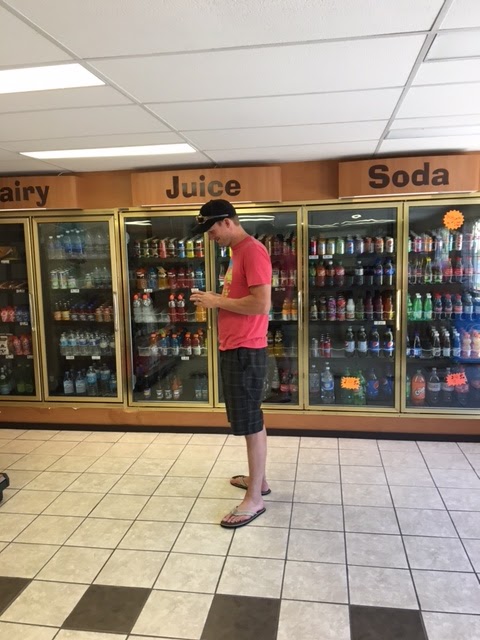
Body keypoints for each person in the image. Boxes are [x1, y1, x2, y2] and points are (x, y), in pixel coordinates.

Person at [190, 199, 272, 529]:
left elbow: (261, 304)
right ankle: (259, 481)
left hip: (245, 349)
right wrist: (218, 300)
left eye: (212, 231)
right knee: (250, 418)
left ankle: (254, 499)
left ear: (227, 222)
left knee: (250, 422)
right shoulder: (238, 252)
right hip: (237, 347)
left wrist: (216, 300)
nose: (211, 238)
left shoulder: (251, 251)